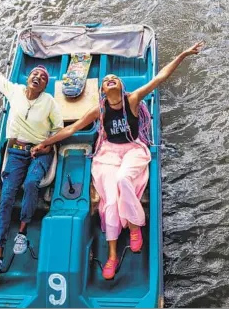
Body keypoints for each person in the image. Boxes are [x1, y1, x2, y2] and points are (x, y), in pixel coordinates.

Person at [31, 42, 204, 280]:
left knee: (124, 179)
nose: (111, 78)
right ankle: (112, 256)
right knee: (110, 200)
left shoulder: (132, 100)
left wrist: (183, 53)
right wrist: (47, 142)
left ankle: (135, 227)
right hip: (108, 153)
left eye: (115, 78)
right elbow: (71, 131)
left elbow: (160, 78)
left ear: (121, 87)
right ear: (102, 89)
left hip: (133, 149)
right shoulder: (99, 110)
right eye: (107, 79)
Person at [0, 52, 64, 278]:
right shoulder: (15, 91)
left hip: (40, 151)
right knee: (7, 196)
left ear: (45, 86)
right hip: (16, 152)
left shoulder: (49, 102)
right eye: (35, 74)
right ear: (28, 78)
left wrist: (46, 147)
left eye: (43, 77)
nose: (38, 77)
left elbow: (58, 130)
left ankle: (22, 230)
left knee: (31, 184)